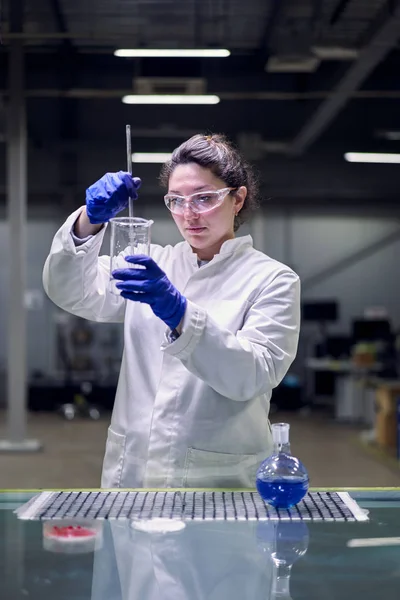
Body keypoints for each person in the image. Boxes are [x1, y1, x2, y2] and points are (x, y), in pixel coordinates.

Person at [43, 133, 300, 489]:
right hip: (133, 475)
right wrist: (89, 221)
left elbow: (253, 375)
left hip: (216, 481)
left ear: (237, 198)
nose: (189, 214)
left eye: (204, 198)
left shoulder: (272, 279)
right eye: (176, 200)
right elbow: (70, 291)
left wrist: (180, 314)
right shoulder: (152, 265)